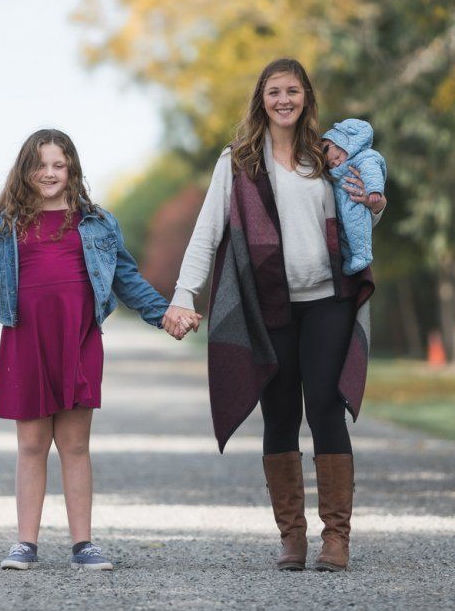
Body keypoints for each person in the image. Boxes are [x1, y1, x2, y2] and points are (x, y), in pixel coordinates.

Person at [0, 128, 184, 572]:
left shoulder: (96, 223)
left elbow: (125, 279)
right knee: (31, 444)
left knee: (75, 445)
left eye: (58, 164)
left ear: (71, 167)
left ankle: (83, 544)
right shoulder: (8, 227)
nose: (49, 173)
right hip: (27, 341)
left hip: (78, 339)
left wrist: (164, 314)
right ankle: (25, 544)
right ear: (25, 171)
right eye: (40, 165)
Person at [163, 59, 387, 572]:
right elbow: (208, 232)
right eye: (273, 92)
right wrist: (183, 294)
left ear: (306, 96)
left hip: (329, 297)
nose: (283, 100)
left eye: (292, 91)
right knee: (280, 413)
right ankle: (292, 537)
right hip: (270, 303)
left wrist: (374, 206)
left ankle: (337, 539)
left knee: (326, 406)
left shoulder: (327, 158)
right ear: (261, 100)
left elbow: (363, 213)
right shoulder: (238, 162)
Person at [320, 119, 387, 276]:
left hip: (355, 203)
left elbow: (371, 171)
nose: (336, 163)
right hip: (341, 213)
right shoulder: (333, 171)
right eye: (331, 164)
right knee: (346, 236)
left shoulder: (362, 157)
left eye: (337, 156)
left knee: (355, 225)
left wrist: (374, 191)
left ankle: (362, 256)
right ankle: (351, 259)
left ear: (344, 145)